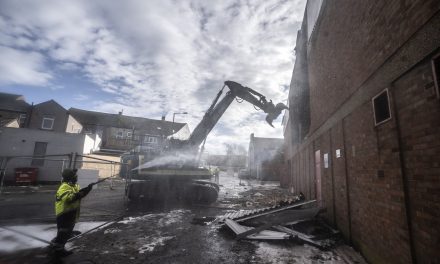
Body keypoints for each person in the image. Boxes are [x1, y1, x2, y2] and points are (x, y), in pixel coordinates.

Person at [50, 168, 92, 257]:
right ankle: (58, 250)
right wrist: (82, 193)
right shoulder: (64, 186)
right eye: (74, 176)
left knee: (66, 232)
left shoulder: (74, 186)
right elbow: (69, 198)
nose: (76, 177)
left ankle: (56, 243)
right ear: (70, 178)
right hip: (64, 214)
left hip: (71, 213)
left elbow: (79, 193)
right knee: (64, 232)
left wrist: (88, 189)